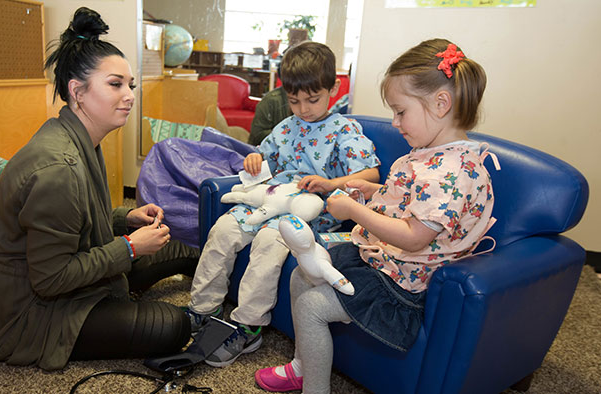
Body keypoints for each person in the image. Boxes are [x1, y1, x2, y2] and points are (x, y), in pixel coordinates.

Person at [255, 38, 496, 393]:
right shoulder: (427, 154)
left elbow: (415, 236)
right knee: (300, 275)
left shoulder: (449, 171)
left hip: (404, 285)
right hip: (384, 260)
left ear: (441, 104)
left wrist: (353, 210)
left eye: (401, 111)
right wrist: (372, 192)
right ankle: (303, 365)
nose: (395, 122)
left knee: (310, 306)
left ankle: (314, 387)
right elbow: (411, 202)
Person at [0, 7, 191, 371]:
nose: (129, 96)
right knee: (174, 325)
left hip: (67, 277)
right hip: (33, 313)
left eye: (130, 85)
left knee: (183, 247)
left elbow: (78, 223)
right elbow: (50, 279)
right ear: (77, 91)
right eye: (115, 84)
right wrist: (127, 247)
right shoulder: (58, 167)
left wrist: (126, 219)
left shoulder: (80, 138)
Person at [185, 41, 382, 368]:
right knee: (223, 230)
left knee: (267, 242)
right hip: (270, 198)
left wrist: (331, 184)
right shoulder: (285, 127)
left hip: (308, 211)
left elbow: (371, 172)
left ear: (333, 88)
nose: (303, 109)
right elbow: (266, 158)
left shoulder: (344, 129)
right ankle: (202, 309)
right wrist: (254, 158)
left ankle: (248, 325)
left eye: (313, 99)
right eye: (294, 100)